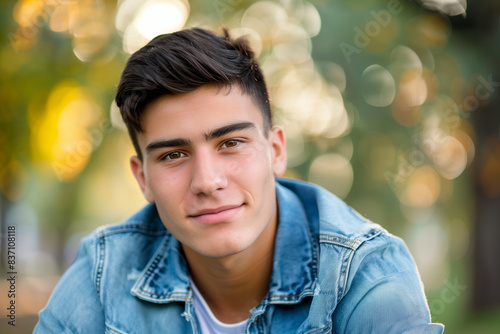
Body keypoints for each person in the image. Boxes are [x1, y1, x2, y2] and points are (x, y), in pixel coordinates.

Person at [35, 27, 444, 333]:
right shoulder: (105, 272)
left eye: (231, 143)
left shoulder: (364, 276)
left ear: (276, 151)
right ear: (143, 178)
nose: (208, 181)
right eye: (173, 155)